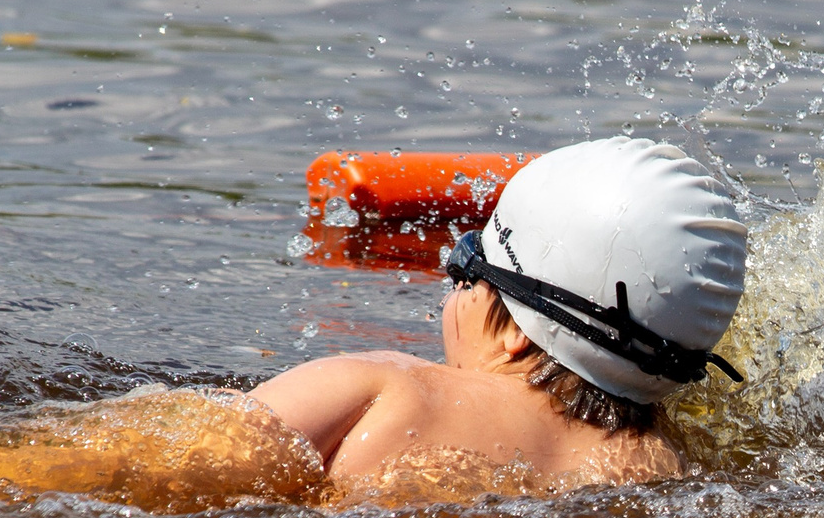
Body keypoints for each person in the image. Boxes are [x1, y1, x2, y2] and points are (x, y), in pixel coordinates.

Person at [247, 136, 748, 492]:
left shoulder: (382, 389)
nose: (454, 282)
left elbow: (176, 464)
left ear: (516, 332)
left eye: (467, 263)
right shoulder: (669, 465)